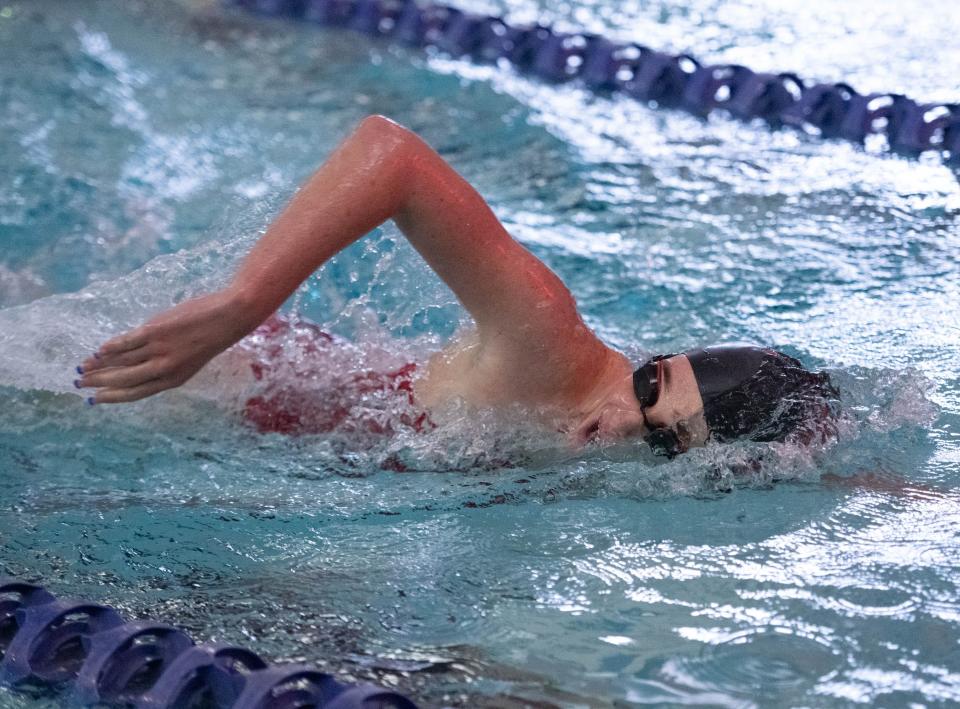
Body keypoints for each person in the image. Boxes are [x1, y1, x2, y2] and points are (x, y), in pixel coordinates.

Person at [74, 115, 837, 457]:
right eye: (647, 387)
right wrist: (240, 305)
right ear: (655, 357)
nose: (625, 424)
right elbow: (393, 154)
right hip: (206, 378)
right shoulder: (550, 341)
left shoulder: (580, 457)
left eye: (667, 442)